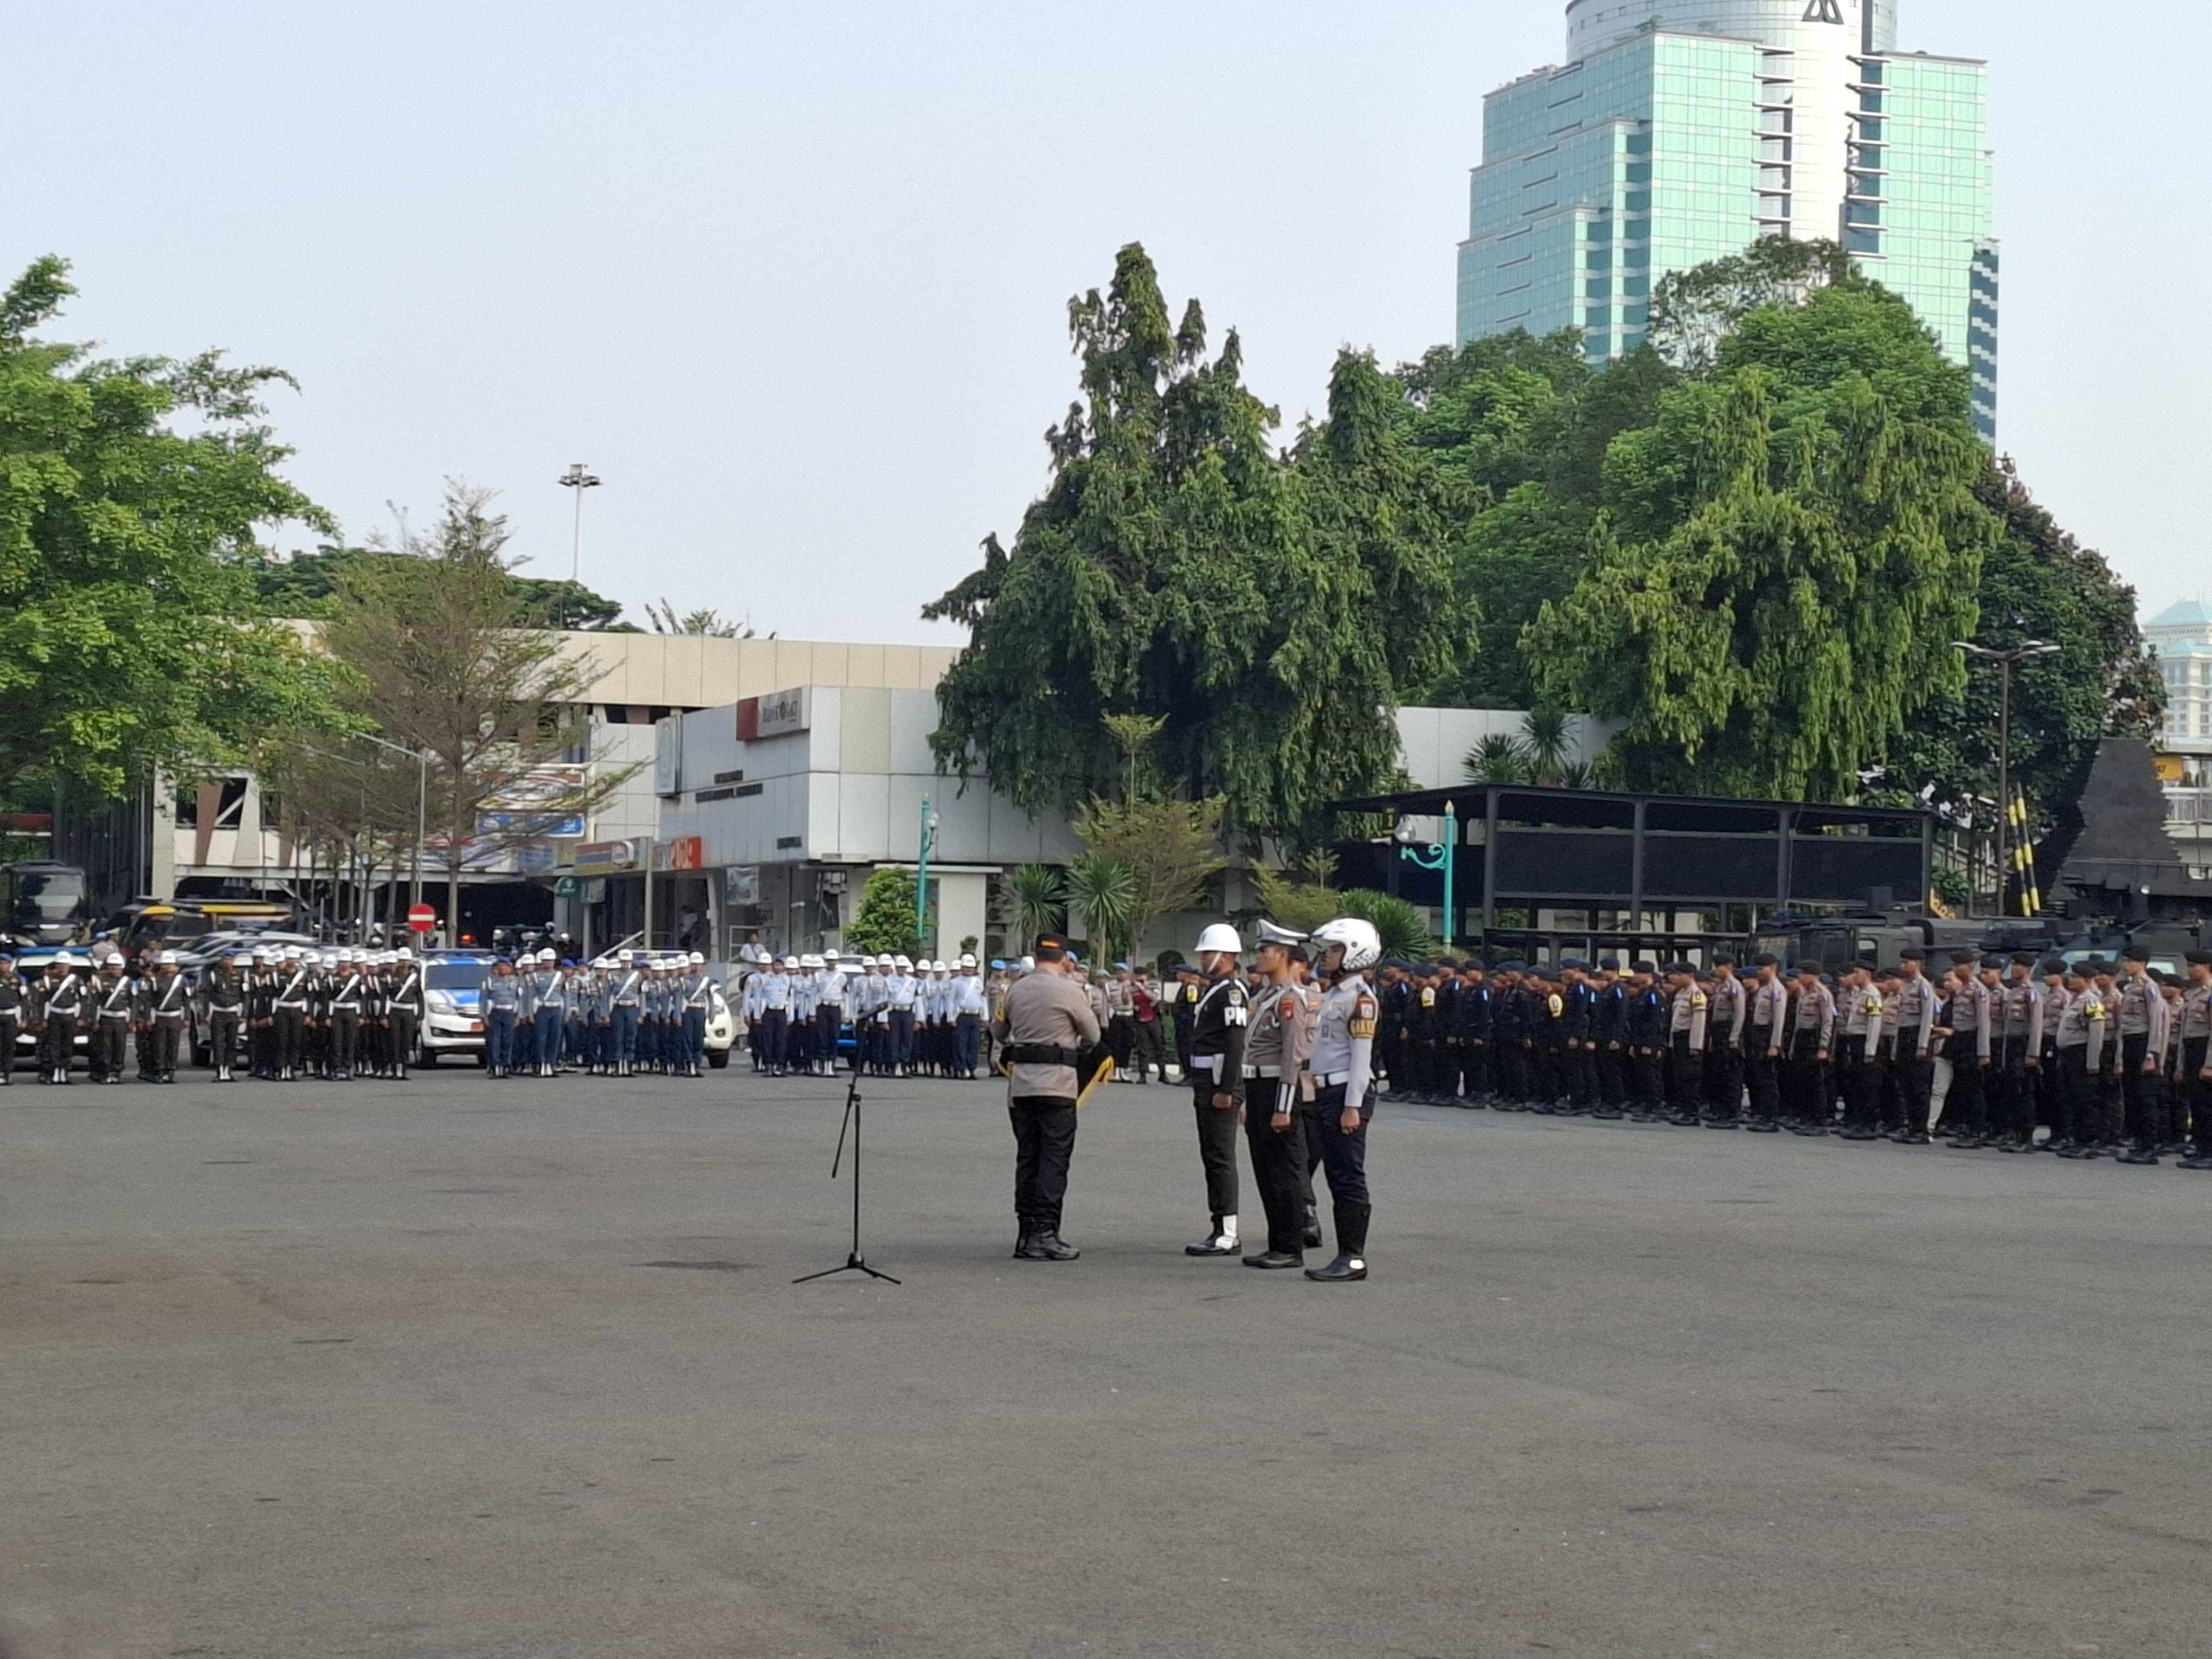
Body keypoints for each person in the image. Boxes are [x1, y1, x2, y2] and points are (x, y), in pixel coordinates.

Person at [989, 933, 1100, 1261]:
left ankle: (1025, 1233)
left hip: (1022, 1085)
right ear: (1064, 959)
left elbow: (997, 1032)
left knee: (1028, 1157)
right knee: (1054, 1159)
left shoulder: (1015, 989)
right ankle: (1045, 1232)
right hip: (1057, 1086)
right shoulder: (1071, 990)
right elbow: (1093, 1034)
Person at [1300, 916, 1383, 1283]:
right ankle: (1344, 1253)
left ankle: (1353, 1257)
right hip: (1326, 1090)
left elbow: (1361, 1058)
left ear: (1354, 953)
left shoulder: (1361, 999)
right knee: (1336, 1175)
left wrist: (1353, 1105)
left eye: (1335, 949)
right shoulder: (1335, 995)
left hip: (1346, 1093)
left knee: (1348, 1175)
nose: (1328, 956)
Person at [1240, 922, 1315, 1270]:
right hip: (1257, 1087)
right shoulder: (1264, 997)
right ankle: (1277, 1242)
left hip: (1277, 1089)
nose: (1259, 956)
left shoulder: (1290, 999)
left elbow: (1292, 1057)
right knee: (1265, 1169)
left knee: (1283, 1169)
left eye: (1265, 951)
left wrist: (1283, 1107)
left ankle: (1290, 1245)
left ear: (1282, 955)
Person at [1182, 923, 1251, 1258]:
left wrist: (1228, 1089)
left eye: (1208, 952)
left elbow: (1235, 1044)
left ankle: (1227, 1232)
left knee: (1221, 1156)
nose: (1203, 957)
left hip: (1218, 1082)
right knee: (1212, 1155)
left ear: (1225, 956)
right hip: (1206, 1080)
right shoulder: (1217, 989)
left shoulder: (1231, 992)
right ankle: (1219, 1223)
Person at [2178, 951, 2212, 1171]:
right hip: (2191, 1051)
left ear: (2207, 967)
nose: (2190, 970)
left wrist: (2210, 1064)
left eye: (2194, 966)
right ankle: (2200, 1149)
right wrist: (2181, 1064)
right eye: (2189, 966)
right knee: (2197, 1105)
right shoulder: (2191, 994)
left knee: (2208, 1106)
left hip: (2205, 1051)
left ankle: (2209, 1152)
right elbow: (2184, 1032)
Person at [199, 952, 248, 1082]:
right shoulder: (215, 975)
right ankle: (220, 1070)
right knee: (218, 1043)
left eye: (230, 959)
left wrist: (244, 1015)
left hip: (233, 1013)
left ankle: (229, 1069)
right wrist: (207, 1014)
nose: (227, 962)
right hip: (218, 1013)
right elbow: (207, 996)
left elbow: (245, 997)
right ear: (221, 961)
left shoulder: (239, 976)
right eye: (225, 959)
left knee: (231, 1043)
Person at [145, 951, 191, 1083]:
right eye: (165, 965)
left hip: (175, 1016)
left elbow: (186, 1001)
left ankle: (170, 1071)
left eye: (170, 965)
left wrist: (187, 1018)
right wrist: (148, 1018)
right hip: (160, 1017)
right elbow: (149, 1001)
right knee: (159, 1045)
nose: (168, 968)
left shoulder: (182, 981)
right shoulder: (155, 981)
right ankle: (159, 1070)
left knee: (173, 1045)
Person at [0, 948, 21, 1085]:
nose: (3, 966)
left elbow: (24, 999)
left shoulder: (16, 979)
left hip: (10, 1016)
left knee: (9, 1045)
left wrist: (23, 1017)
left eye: (5, 963)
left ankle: (7, 1073)